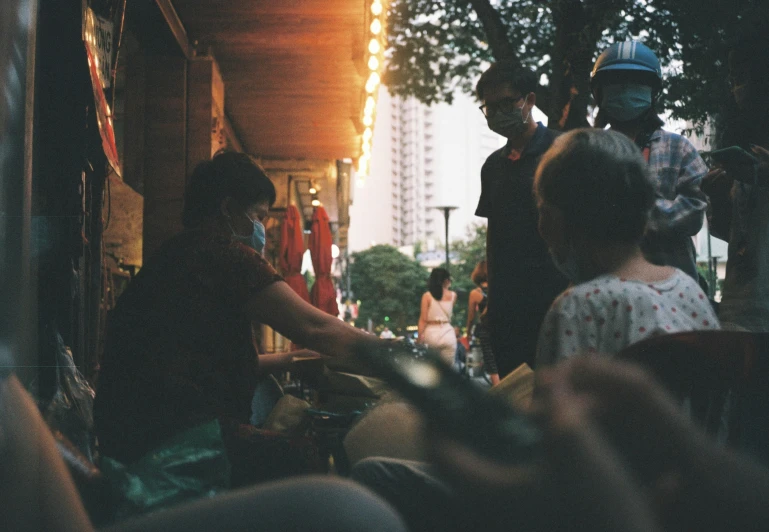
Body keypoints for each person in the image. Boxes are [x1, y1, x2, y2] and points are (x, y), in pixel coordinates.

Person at [94, 152, 380, 486]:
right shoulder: (223, 254)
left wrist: (293, 359)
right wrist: (392, 352)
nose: (264, 228)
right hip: (180, 439)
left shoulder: (175, 253)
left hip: (130, 437)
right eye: (259, 215)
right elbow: (315, 327)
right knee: (320, 461)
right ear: (228, 209)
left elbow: (205, 364)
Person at [534, 129, 719, 366]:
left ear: (561, 219)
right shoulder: (689, 291)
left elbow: (554, 400)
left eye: (542, 210)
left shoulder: (575, 310)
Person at [475, 62, 568, 375]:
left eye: (507, 103)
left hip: (557, 298)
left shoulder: (562, 151)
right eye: (490, 107)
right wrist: (493, 299)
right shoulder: (492, 167)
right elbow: (494, 235)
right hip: (507, 308)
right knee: (517, 397)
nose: (499, 112)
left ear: (530, 100)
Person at [590, 40, 708, 281]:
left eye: (636, 84)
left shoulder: (678, 148)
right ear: (599, 93)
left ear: (653, 93)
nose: (624, 90)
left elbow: (696, 208)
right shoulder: (589, 151)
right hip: (605, 283)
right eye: (615, 83)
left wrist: (632, 218)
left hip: (670, 284)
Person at [703, 13, 769, 332]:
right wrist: (717, 197)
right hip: (741, 308)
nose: (736, 88)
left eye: (743, 76)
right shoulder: (742, 143)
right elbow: (732, 233)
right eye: (731, 79)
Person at [465, 261, 499, 384]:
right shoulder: (498, 288)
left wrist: (468, 333)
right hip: (502, 327)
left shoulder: (475, 294)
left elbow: (471, 317)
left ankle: (500, 390)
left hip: (486, 330)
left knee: (492, 364)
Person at [417, 268, 457, 366]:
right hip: (448, 334)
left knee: (433, 369)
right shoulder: (453, 295)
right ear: (446, 280)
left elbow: (423, 320)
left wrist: (419, 338)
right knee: (448, 371)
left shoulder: (427, 296)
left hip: (431, 334)